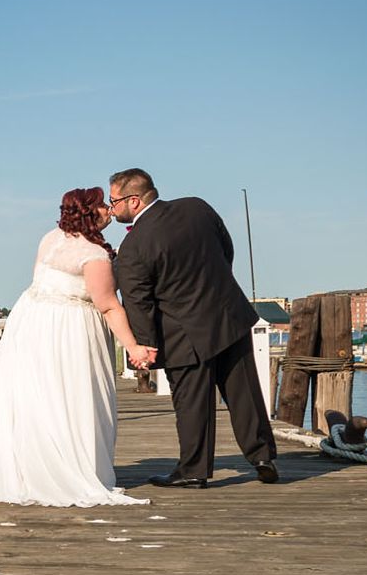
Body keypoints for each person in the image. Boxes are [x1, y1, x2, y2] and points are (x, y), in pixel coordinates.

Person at [0, 187, 153, 507]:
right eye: (103, 206)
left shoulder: (50, 238)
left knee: (36, 395)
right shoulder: (94, 254)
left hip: (32, 320)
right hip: (70, 328)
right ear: (91, 214)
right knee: (69, 394)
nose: (108, 210)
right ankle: (67, 465)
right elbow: (108, 307)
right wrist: (133, 347)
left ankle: (27, 464)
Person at [108, 168, 278, 488]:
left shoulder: (133, 247)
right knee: (245, 394)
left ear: (134, 200)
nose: (111, 207)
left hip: (182, 334)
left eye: (114, 200)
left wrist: (145, 346)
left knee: (192, 404)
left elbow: (138, 302)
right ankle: (262, 456)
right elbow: (225, 250)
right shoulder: (196, 207)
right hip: (228, 315)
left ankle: (194, 470)